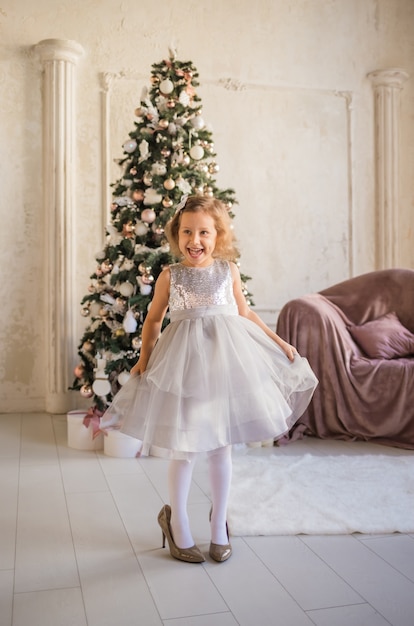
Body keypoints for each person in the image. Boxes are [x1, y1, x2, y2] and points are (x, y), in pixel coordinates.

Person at [100, 194, 318, 564]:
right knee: (184, 445)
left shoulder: (228, 271)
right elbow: (154, 320)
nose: (194, 240)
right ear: (176, 234)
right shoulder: (171, 275)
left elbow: (245, 312)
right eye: (187, 232)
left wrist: (277, 340)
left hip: (224, 363)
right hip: (183, 365)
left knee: (220, 447)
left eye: (204, 232)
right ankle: (178, 522)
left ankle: (219, 522)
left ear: (218, 235)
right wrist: (144, 358)